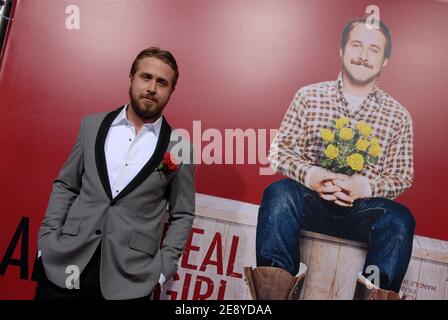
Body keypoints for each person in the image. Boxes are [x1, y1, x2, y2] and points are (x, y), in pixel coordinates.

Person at [245, 17, 415, 300]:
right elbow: (279, 151)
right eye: (356, 45)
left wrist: (366, 188)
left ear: (385, 60)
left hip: (362, 211)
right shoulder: (309, 96)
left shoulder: (398, 116)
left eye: (374, 50)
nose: (363, 56)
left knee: (399, 219)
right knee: (278, 192)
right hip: (311, 202)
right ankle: (272, 299)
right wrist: (313, 177)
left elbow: (402, 175)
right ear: (341, 50)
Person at [35, 47, 195, 300]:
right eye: (145, 77)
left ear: (171, 91)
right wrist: (47, 240)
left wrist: (163, 269)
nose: (152, 87)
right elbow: (66, 185)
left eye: (162, 82)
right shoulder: (92, 125)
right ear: (131, 78)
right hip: (65, 263)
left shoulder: (180, 148)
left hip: (129, 280)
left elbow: (183, 213)